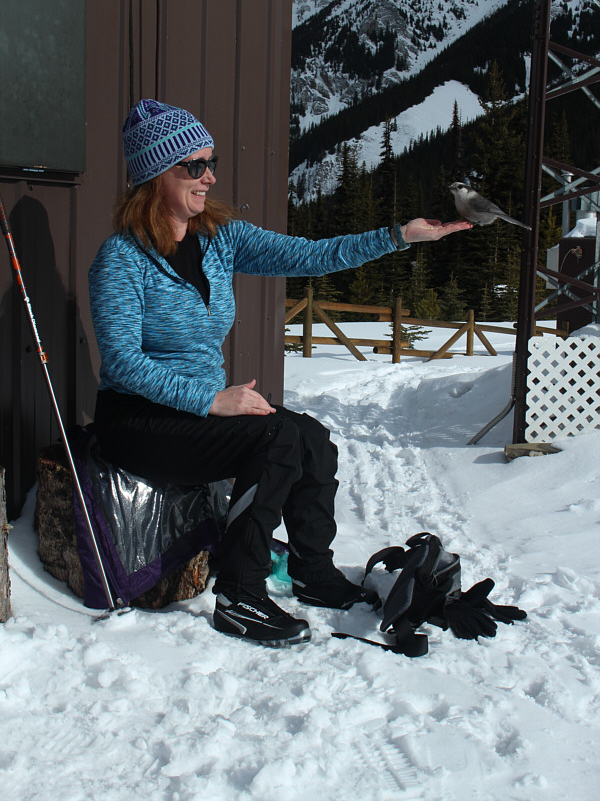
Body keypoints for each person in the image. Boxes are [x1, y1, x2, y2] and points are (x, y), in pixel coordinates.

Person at [88, 99, 472, 647]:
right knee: (274, 441)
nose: (209, 176)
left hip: (197, 409)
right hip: (139, 420)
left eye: (210, 161)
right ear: (155, 175)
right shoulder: (120, 259)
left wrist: (398, 236)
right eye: (194, 166)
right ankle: (240, 596)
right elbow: (123, 363)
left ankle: (314, 574)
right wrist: (211, 402)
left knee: (311, 438)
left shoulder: (219, 239)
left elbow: (309, 256)